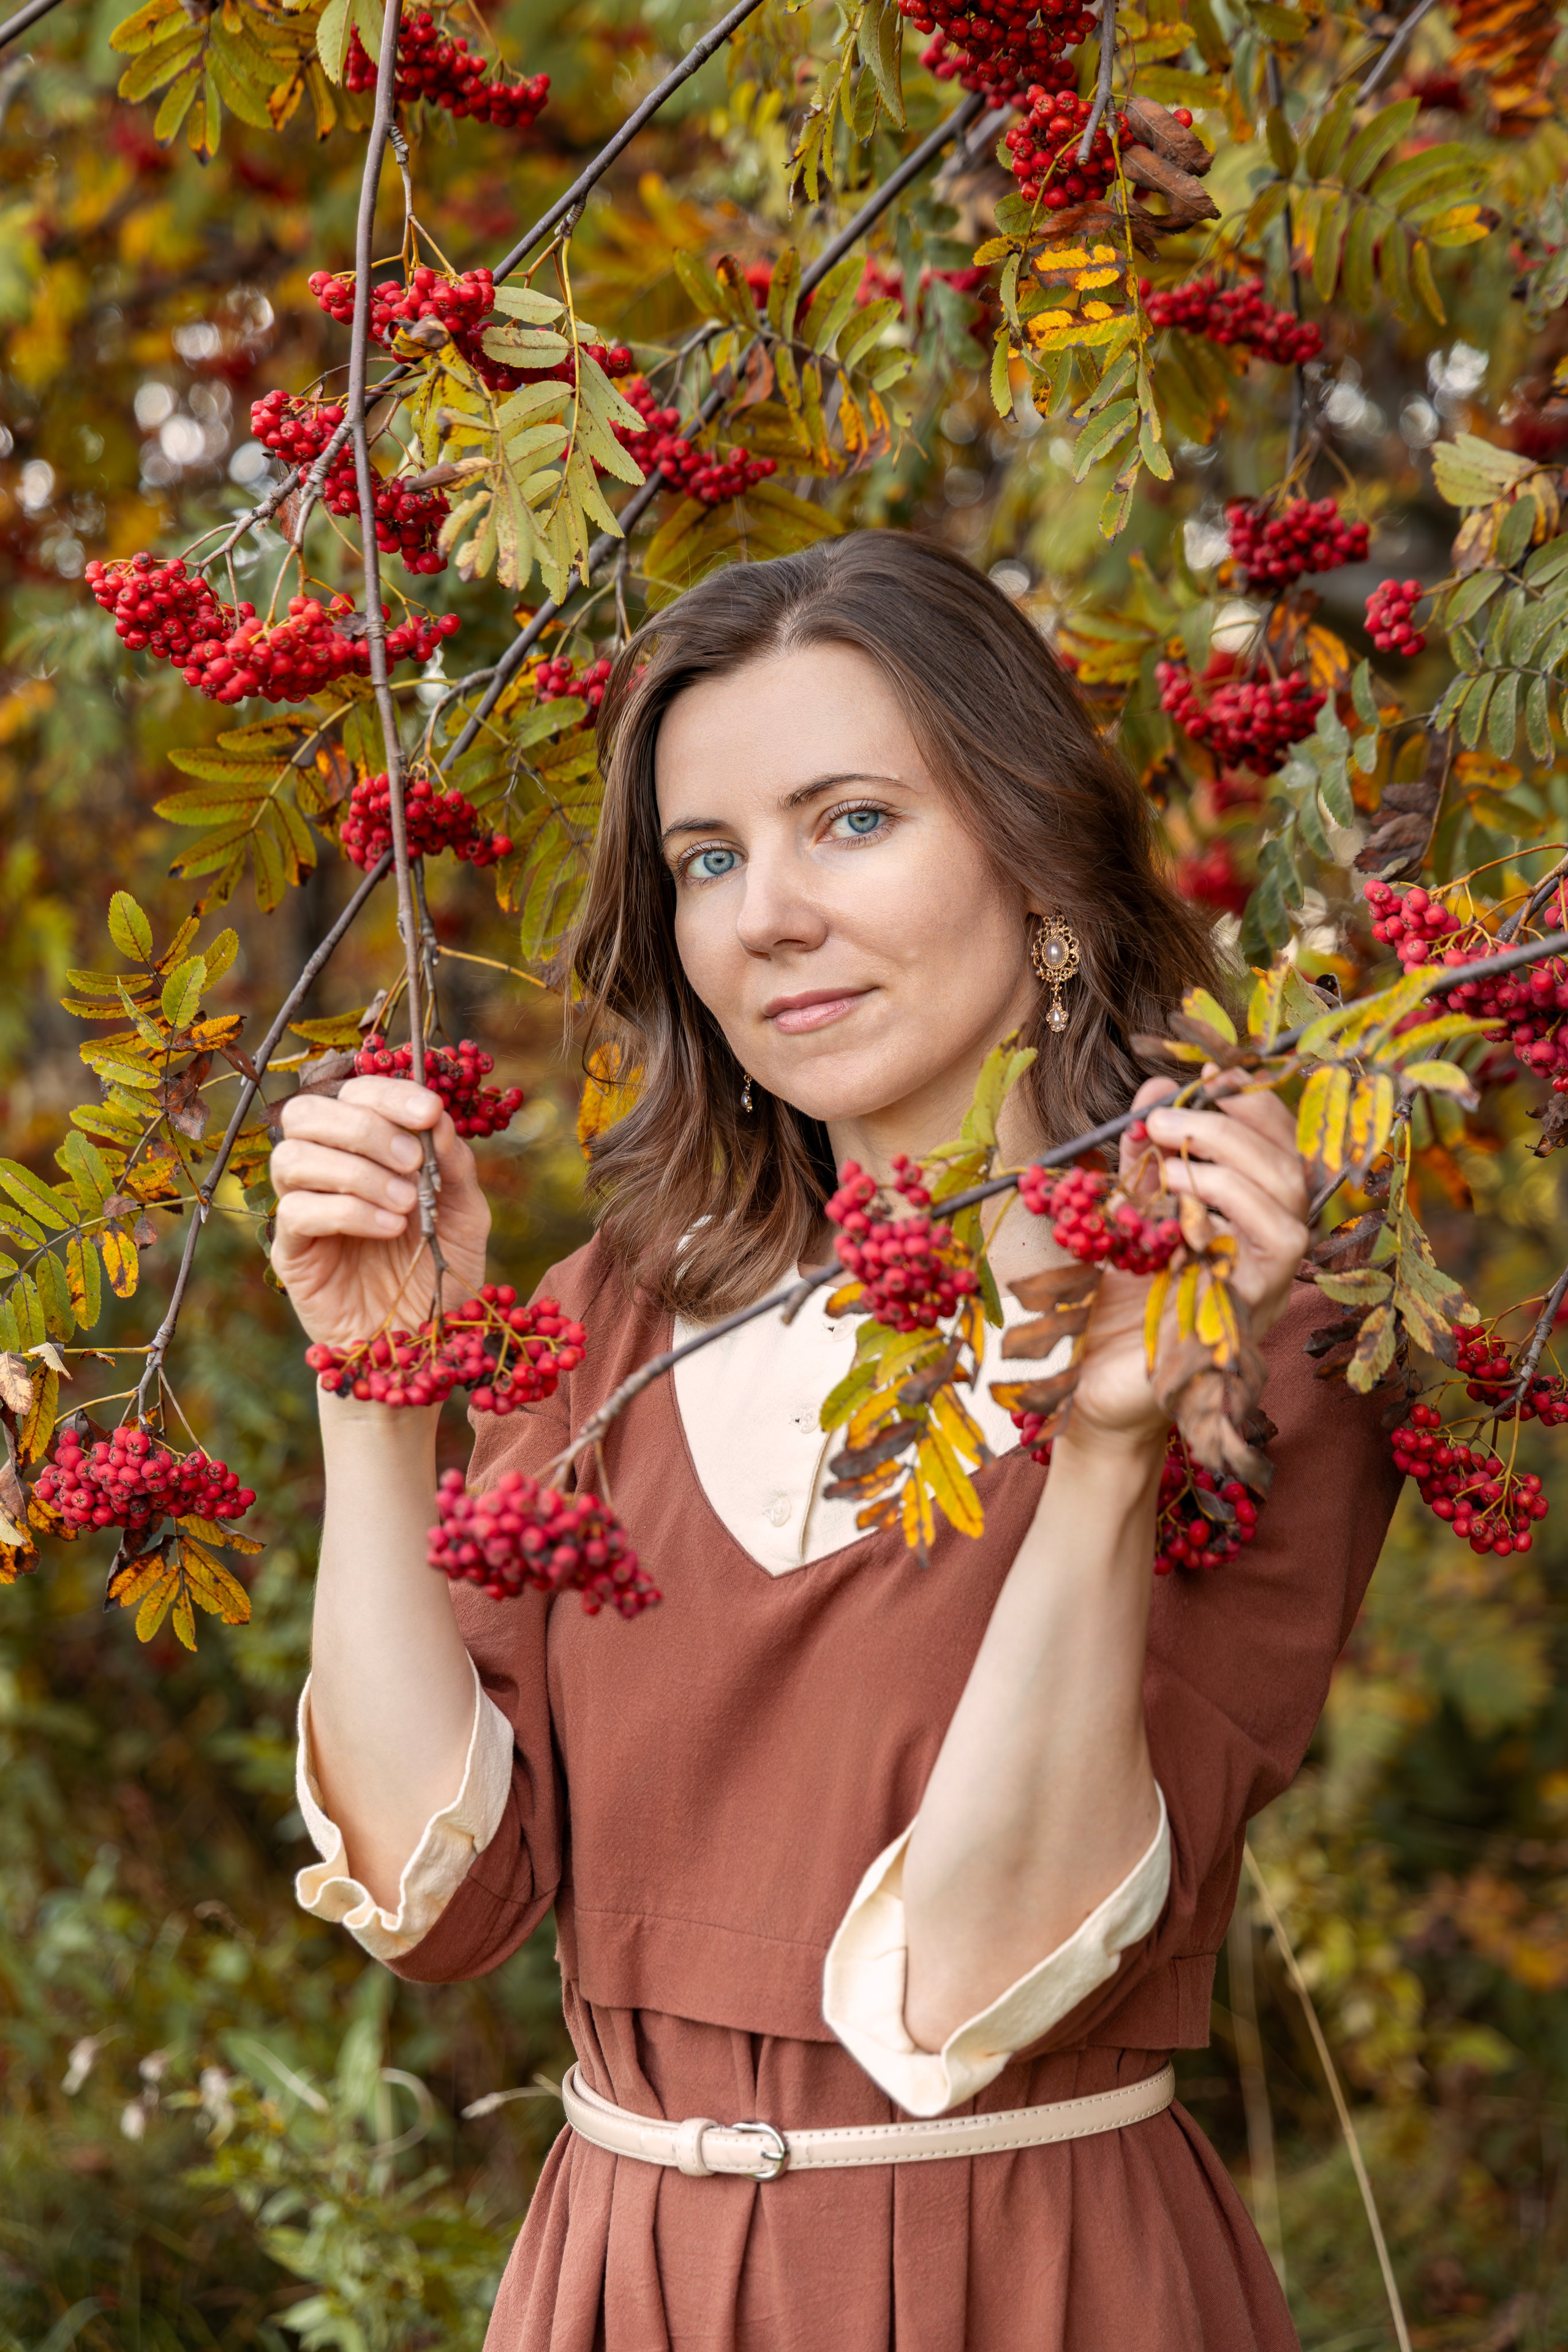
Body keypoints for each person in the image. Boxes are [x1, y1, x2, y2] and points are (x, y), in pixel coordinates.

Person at [270, 531, 1401, 2351]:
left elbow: (968, 1984)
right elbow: (438, 1896)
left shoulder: (1257, 1329)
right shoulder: (608, 1315)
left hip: (1030, 2276)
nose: (763, 913)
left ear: (1039, 865)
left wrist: (1105, 1456)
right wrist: (371, 1395)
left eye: (850, 820)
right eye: (706, 860)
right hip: (617, 2281)